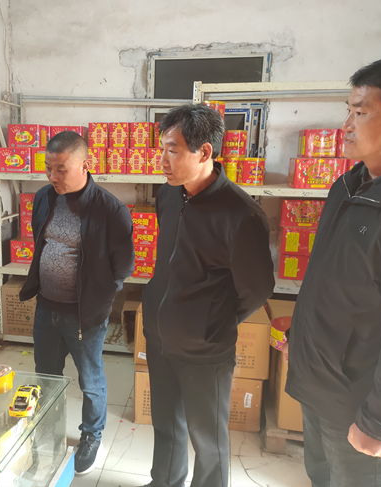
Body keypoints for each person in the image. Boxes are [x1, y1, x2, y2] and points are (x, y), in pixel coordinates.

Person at [285, 56, 381, 487]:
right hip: (321, 388)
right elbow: (328, 280)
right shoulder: (349, 185)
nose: (346, 125)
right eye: (348, 111)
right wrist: (301, 338)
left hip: (363, 408)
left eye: (361, 112)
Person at [141, 104, 274, 487]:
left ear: (204, 152)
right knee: (166, 424)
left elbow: (257, 289)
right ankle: (164, 482)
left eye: (173, 150)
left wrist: (210, 320)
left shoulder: (241, 214)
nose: (163, 160)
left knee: (208, 441)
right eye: (162, 149)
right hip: (160, 337)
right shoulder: (169, 196)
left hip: (205, 349)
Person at [19, 131, 134, 475]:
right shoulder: (44, 197)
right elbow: (41, 241)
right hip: (46, 307)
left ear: (85, 165)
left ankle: (91, 436)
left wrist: (99, 301)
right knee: (46, 376)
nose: (53, 176)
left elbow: (123, 266)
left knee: (90, 380)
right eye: (48, 168)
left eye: (61, 169)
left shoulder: (111, 210)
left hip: (84, 315)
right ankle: (49, 428)